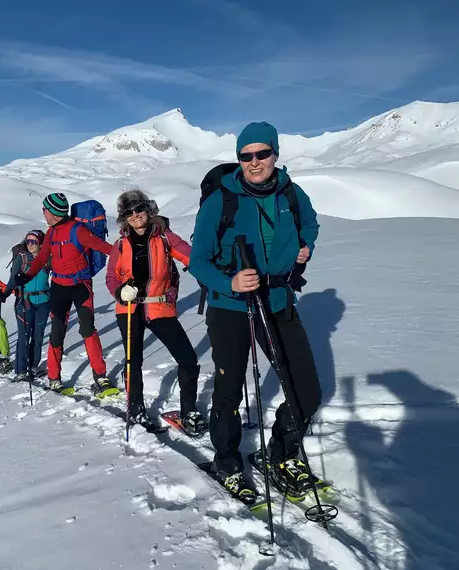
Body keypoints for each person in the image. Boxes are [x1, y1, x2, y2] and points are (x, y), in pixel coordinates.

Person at [188, 121, 320, 502]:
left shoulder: (292, 194)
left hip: (278, 301)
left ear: (275, 154)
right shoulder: (222, 200)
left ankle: (279, 453)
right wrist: (229, 282)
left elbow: (310, 224)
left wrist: (305, 247)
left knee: (306, 389)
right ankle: (227, 460)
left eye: (262, 153)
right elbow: (198, 260)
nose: (254, 161)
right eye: (246, 156)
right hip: (230, 306)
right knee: (229, 390)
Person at [106, 189, 209, 435]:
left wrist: (211, 273)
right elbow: (111, 276)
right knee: (133, 361)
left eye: (138, 209)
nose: (135, 215)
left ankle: (188, 411)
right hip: (129, 308)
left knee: (188, 359)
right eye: (128, 212)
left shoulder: (164, 237)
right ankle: (136, 407)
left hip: (159, 305)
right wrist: (120, 292)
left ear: (147, 209)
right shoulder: (119, 245)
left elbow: (189, 257)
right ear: (123, 218)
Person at [14, 192, 113, 394]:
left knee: (88, 329)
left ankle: (100, 376)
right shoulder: (51, 233)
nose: (43, 213)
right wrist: (27, 276)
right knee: (57, 332)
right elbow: (42, 258)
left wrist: (126, 264)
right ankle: (54, 377)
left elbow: (107, 248)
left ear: (54, 212)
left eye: (45, 209)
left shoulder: (78, 231)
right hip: (59, 287)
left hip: (80, 287)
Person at [3, 230, 52, 381]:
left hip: (44, 301)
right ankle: (21, 370)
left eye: (34, 242)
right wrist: (5, 293)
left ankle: (34, 366)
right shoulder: (21, 258)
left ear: (41, 243)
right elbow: (13, 279)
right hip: (24, 301)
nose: (30, 245)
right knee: (24, 336)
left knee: (38, 335)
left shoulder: (48, 259)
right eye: (28, 242)